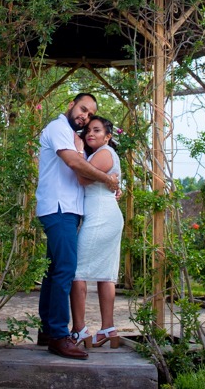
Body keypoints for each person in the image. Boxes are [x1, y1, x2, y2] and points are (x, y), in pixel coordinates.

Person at [36, 94, 120, 360]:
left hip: (69, 211)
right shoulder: (58, 128)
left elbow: (84, 169)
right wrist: (108, 180)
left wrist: (110, 185)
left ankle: (48, 330)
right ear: (71, 105)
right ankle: (60, 336)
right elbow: (74, 164)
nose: (85, 117)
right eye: (83, 109)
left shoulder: (77, 138)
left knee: (54, 271)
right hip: (59, 208)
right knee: (66, 270)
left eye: (90, 115)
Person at [70, 116, 124, 349]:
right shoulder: (101, 154)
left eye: (97, 130)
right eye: (88, 130)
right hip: (105, 214)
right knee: (106, 274)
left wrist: (78, 151)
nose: (90, 134)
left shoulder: (103, 153)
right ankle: (108, 329)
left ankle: (79, 329)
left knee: (77, 271)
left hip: (101, 217)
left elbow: (83, 177)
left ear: (108, 136)